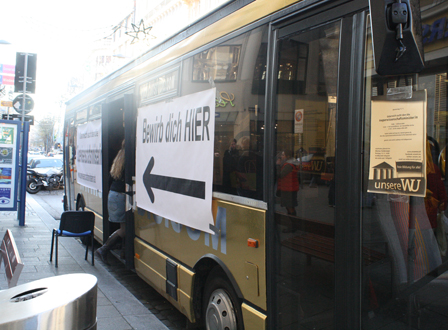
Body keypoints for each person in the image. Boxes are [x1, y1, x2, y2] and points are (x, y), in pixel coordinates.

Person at [96, 140, 126, 264]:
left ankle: (124, 252)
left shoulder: (119, 158)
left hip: (113, 194)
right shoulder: (129, 158)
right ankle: (104, 249)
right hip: (120, 196)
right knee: (126, 229)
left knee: (123, 226)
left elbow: (110, 178)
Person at [276, 150, 299, 232]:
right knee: (289, 206)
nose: (281, 157)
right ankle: (293, 225)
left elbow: (280, 175)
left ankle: (294, 226)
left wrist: (278, 165)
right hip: (289, 188)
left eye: (283, 155)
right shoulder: (289, 164)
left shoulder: (288, 165)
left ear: (287, 156)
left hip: (288, 189)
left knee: (290, 207)